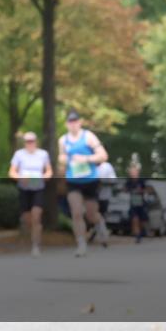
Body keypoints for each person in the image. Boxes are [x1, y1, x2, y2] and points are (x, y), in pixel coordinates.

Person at [57, 108, 110, 257]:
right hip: (73, 181)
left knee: (91, 214)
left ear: (80, 123)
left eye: (75, 122)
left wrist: (86, 159)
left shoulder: (88, 137)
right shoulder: (63, 140)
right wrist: (65, 161)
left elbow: (103, 156)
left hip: (90, 180)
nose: (73, 125)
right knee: (76, 212)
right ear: (67, 124)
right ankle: (81, 244)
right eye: (70, 122)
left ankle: (100, 225)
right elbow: (61, 158)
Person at [8, 132, 52, 256]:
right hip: (24, 189)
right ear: (24, 143)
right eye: (27, 141)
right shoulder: (19, 154)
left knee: (36, 216)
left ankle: (36, 245)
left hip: (38, 188)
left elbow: (48, 171)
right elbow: (11, 172)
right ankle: (31, 235)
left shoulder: (43, 154)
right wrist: (21, 178)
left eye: (32, 141)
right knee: (28, 219)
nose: (30, 143)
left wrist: (44, 177)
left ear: (36, 141)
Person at [124, 164, 149, 243]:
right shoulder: (129, 181)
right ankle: (137, 236)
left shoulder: (142, 180)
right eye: (131, 172)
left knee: (142, 220)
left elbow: (148, 189)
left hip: (141, 202)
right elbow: (125, 189)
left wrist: (141, 191)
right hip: (133, 202)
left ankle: (142, 232)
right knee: (135, 219)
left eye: (134, 172)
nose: (133, 173)